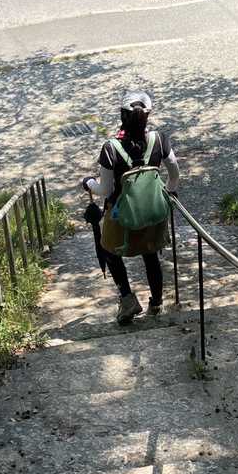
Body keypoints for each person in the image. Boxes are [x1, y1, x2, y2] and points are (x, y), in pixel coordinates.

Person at [84, 92, 179, 325]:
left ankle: (127, 299)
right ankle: (156, 303)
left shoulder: (111, 148)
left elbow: (105, 190)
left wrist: (88, 183)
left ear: (122, 116)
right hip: (152, 215)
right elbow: (174, 173)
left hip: (121, 217)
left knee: (109, 251)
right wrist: (166, 194)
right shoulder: (159, 140)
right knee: (150, 254)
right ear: (147, 116)